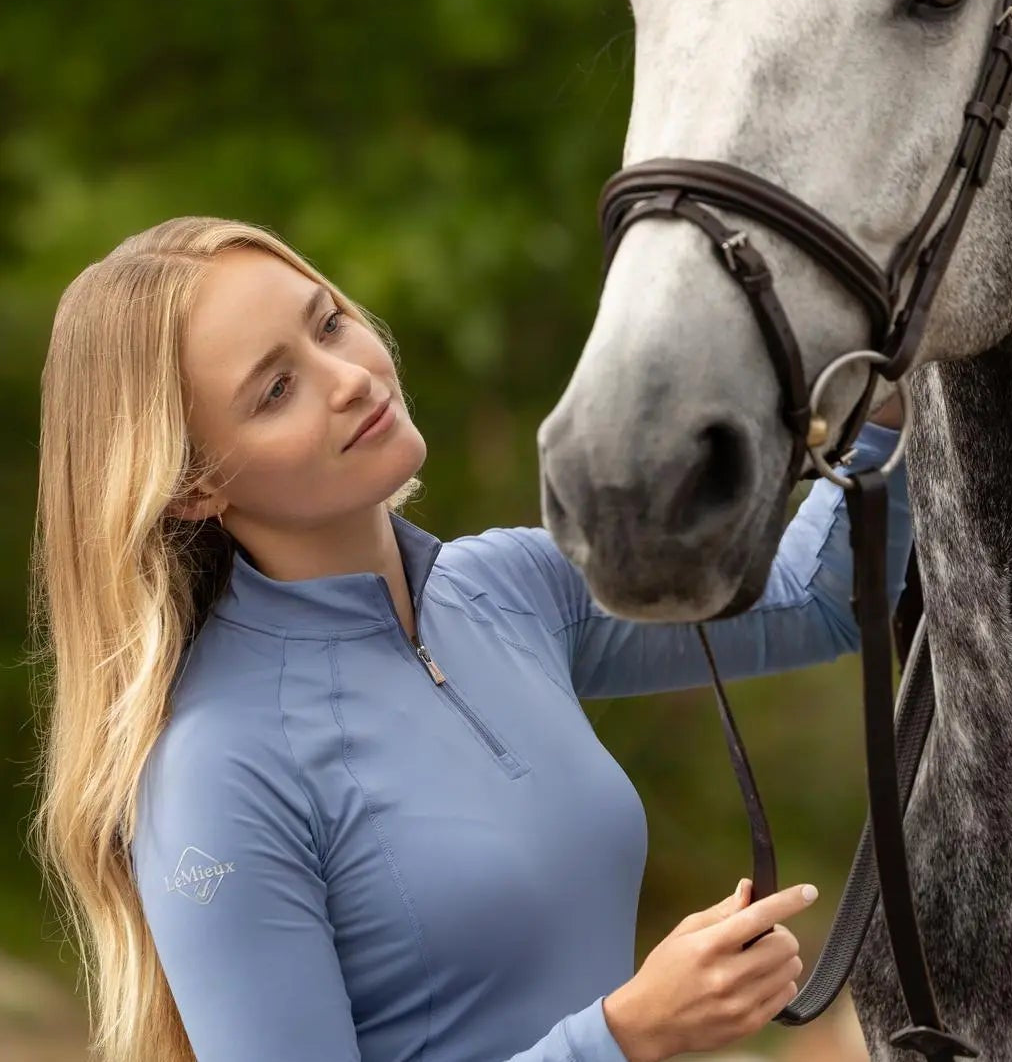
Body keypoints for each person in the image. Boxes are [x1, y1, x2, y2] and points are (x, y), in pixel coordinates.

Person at [28, 216, 914, 1062]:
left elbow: (817, 599)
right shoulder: (217, 766)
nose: (349, 379)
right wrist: (623, 1032)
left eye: (328, 323)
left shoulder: (510, 588)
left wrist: (893, 394)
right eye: (275, 388)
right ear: (191, 488)